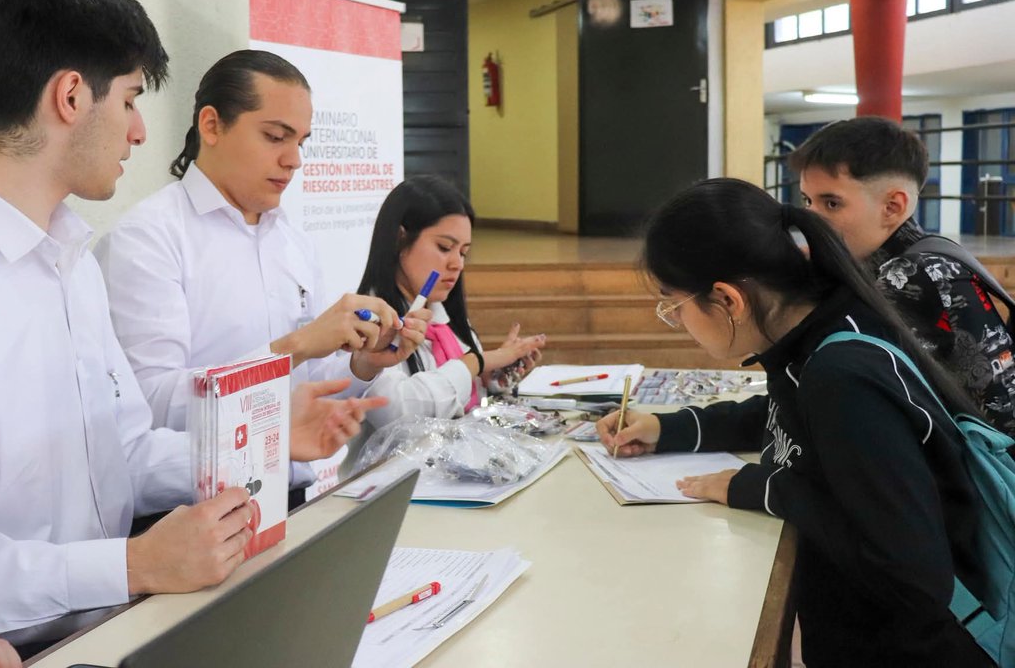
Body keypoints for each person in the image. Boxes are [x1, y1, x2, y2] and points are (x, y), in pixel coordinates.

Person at [0, 0, 375, 668]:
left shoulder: (70, 263)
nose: (139, 132)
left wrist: (261, 446)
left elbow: (124, 453)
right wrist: (131, 565)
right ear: (72, 96)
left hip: (111, 632)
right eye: (132, 100)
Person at [596, 178, 992, 667]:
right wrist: (669, 428)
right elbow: (792, 418)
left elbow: (913, 574)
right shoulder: (815, 335)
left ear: (728, 300)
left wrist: (757, 487)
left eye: (673, 307)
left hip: (910, 650)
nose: (677, 322)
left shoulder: (843, 377)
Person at [94, 50, 425, 495]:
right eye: (275, 137)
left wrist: (362, 364)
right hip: (196, 505)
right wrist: (295, 347)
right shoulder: (147, 239)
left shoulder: (293, 243)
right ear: (211, 125)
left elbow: (308, 388)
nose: (294, 160)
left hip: (293, 493)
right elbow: (152, 404)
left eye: (301, 142)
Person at [789, 116, 1015, 435]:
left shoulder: (911, 274)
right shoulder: (915, 255)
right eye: (807, 201)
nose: (811, 219)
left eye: (831, 203)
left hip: (985, 461)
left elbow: (846, 390)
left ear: (892, 207)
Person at [347, 176, 546, 468]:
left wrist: (491, 380)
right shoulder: (367, 321)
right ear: (400, 238)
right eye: (444, 247)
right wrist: (476, 362)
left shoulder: (446, 319)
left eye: (463, 252)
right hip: (393, 484)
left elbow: (460, 408)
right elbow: (397, 413)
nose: (457, 264)